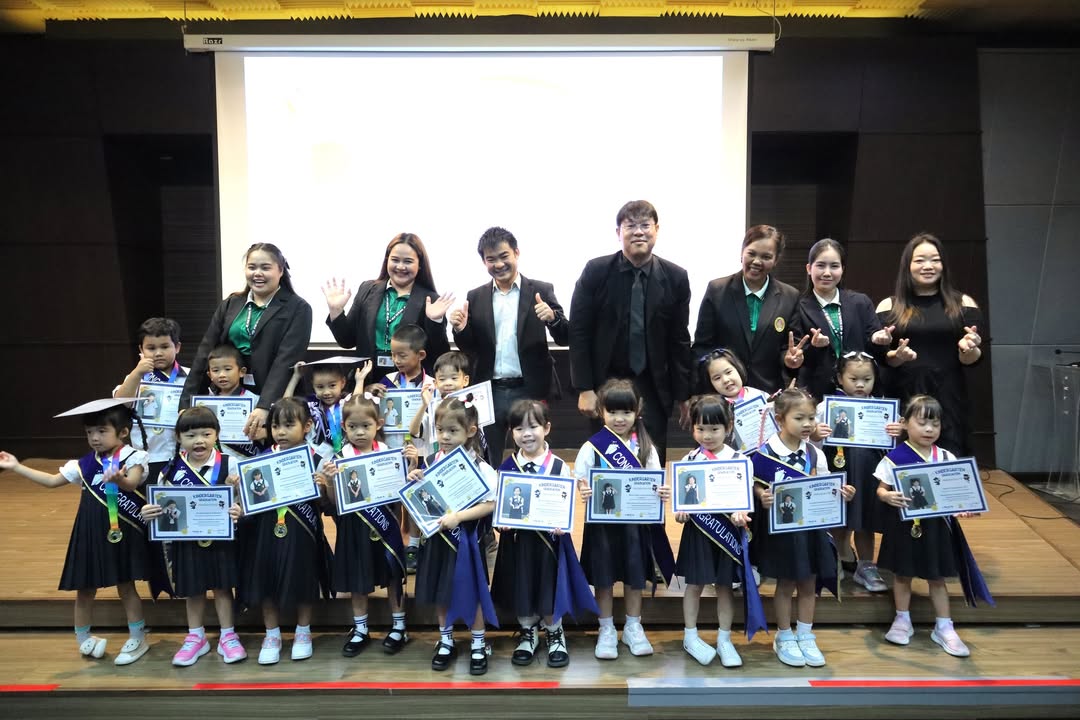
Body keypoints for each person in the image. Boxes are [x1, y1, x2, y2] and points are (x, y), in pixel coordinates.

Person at [0, 399, 152, 665]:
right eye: (89, 432)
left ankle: (138, 637)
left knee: (126, 586)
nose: (94, 438)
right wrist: (16, 467)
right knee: (84, 588)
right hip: (89, 531)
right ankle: (84, 639)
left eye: (102, 431)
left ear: (123, 432)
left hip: (122, 531)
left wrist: (119, 479)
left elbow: (132, 483)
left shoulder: (134, 458)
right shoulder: (83, 463)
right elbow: (51, 481)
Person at [569, 200, 692, 464]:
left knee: (651, 459)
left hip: (653, 386)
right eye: (630, 226)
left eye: (645, 225)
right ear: (618, 232)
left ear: (657, 229)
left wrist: (684, 396)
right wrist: (585, 388)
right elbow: (579, 332)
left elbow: (679, 341)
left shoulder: (676, 277)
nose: (638, 232)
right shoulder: (596, 271)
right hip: (605, 383)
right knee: (605, 461)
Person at [875, 394, 992, 657]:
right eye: (922, 423)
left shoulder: (946, 456)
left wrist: (965, 507)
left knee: (937, 578)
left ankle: (944, 626)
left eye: (935, 424)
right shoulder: (895, 457)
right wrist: (887, 496)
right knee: (902, 574)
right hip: (903, 527)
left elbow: (959, 493)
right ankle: (902, 620)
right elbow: (881, 489)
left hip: (937, 529)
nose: (929, 429)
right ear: (905, 424)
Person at [751, 388, 855, 668]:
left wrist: (842, 493)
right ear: (780, 419)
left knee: (809, 583)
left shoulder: (815, 454)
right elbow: (755, 485)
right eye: (799, 418)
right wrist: (762, 496)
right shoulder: (764, 454)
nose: (807, 424)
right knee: (786, 583)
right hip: (784, 533)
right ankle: (784, 635)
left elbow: (826, 485)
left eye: (811, 418)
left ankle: (806, 635)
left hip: (812, 530)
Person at [450, 227, 569, 464]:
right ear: (484, 261)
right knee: (487, 456)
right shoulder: (476, 296)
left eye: (504, 256)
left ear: (516, 253)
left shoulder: (541, 290)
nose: (499, 264)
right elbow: (470, 347)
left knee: (531, 454)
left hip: (529, 388)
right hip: (489, 391)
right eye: (491, 259)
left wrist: (552, 318)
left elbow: (565, 336)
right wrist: (460, 329)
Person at [491, 399, 595, 669]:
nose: (526, 434)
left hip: (551, 541)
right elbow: (498, 506)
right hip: (518, 543)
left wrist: (563, 522)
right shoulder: (506, 467)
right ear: (511, 433)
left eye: (533, 427)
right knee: (523, 584)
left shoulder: (559, 466)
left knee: (550, 584)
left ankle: (554, 632)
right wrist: (500, 524)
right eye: (519, 429)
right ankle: (528, 632)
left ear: (546, 428)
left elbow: (565, 504)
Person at [140, 407, 246, 666]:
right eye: (191, 435)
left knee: (223, 588)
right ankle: (195, 636)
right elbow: (162, 506)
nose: (199, 441)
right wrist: (150, 512)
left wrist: (239, 509)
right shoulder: (170, 470)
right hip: (186, 542)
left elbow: (244, 501)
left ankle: (228, 635)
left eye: (206, 434)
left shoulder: (230, 464)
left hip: (222, 541)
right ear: (178, 438)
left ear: (217, 434)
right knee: (193, 590)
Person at [575, 379, 672, 660]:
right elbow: (581, 479)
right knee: (603, 578)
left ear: (637, 411)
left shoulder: (646, 447)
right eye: (613, 412)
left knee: (634, 576)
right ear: (601, 412)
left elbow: (655, 482)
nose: (619, 418)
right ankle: (606, 628)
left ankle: (633, 626)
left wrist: (662, 492)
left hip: (634, 525)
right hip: (602, 526)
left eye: (626, 412)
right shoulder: (592, 447)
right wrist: (584, 490)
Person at [232, 398, 331, 665]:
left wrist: (325, 486)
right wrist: (239, 493)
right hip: (266, 533)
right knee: (267, 581)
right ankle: (272, 635)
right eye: (275, 426)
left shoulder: (318, 458)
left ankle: (303, 632)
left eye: (289, 425)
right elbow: (249, 504)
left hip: (303, 533)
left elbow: (328, 505)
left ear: (307, 426)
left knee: (305, 580)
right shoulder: (260, 460)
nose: (281, 432)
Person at [181, 243, 313, 443]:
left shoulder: (298, 308)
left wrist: (265, 406)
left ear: (280, 270)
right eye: (252, 267)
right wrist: (186, 402)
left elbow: (285, 360)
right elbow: (206, 352)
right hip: (230, 396)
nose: (257, 273)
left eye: (265, 267)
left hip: (275, 398)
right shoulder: (231, 303)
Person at [408, 398, 498, 675]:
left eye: (452, 431)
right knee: (440, 592)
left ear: (470, 431)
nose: (444, 437)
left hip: (466, 542)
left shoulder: (480, 466)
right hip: (437, 540)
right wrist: (416, 479)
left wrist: (459, 517)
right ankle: (445, 640)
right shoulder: (430, 461)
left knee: (473, 593)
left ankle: (478, 642)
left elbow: (491, 504)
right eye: (440, 430)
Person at [314, 395, 409, 658]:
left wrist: (411, 465)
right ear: (343, 427)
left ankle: (399, 627)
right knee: (357, 580)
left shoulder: (389, 454)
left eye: (366, 426)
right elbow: (335, 505)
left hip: (386, 527)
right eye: (352, 426)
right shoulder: (339, 458)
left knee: (393, 576)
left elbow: (402, 494)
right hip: (353, 530)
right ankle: (360, 629)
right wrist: (329, 483)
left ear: (378, 424)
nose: (359, 432)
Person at [875, 233, 986, 456]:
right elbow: (883, 360)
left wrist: (969, 348)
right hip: (902, 394)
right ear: (907, 266)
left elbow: (971, 360)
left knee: (950, 459)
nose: (928, 266)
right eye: (920, 260)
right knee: (902, 462)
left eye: (935, 260)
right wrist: (897, 355)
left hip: (948, 395)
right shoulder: (889, 306)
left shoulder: (963, 303)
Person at [674, 395, 760, 668]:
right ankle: (690, 636)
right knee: (694, 585)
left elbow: (745, 502)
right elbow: (681, 506)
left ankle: (724, 639)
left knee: (725, 587)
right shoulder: (688, 459)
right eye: (700, 428)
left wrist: (741, 513)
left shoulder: (740, 460)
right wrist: (680, 513)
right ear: (692, 428)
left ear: (729, 427)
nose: (707, 435)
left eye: (714, 429)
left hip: (726, 533)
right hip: (698, 532)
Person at [810, 352, 902, 593]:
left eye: (867, 379)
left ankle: (865, 566)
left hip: (868, 473)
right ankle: (833, 562)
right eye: (853, 379)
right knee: (836, 517)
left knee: (865, 520)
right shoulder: (825, 407)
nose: (860, 384)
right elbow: (810, 441)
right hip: (837, 471)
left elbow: (893, 446)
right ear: (840, 378)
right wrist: (815, 433)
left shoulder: (882, 408)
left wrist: (897, 431)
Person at [323, 233, 452, 383]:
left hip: (409, 384)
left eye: (408, 261)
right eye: (395, 260)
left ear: (419, 264)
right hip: (367, 379)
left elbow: (440, 353)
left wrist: (435, 321)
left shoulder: (430, 300)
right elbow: (347, 341)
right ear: (387, 260)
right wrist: (336, 311)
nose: (400, 267)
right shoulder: (367, 289)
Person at [693, 225, 800, 395]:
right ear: (742, 253)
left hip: (767, 394)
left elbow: (788, 348)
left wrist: (789, 359)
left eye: (766, 257)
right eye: (752, 253)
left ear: (776, 260)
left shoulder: (789, 296)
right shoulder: (717, 290)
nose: (757, 261)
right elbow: (702, 347)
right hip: (724, 394)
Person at [784, 239, 890, 400]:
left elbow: (876, 351)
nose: (827, 273)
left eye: (834, 266)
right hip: (815, 394)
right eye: (821, 265)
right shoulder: (797, 306)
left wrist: (878, 340)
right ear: (809, 268)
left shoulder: (861, 303)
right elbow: (798, 358)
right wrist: (814, 347)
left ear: (842, 269)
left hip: (859, 392)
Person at [114, 317, 188, 482]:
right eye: (151, 348)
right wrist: (136, 373)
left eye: (165, 347)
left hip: (185, 454)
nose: (158, 353)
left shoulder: (190, 377)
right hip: (147, 456)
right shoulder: (135, 378)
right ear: (141, 349)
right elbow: (121, 402)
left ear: (177, 347)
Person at [203, 343, 262, 460]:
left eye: (228, 369)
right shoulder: (206, 402)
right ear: (209, 375)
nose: (222, 375)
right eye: (216, 370)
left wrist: (262, 432)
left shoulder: (256, 401)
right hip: (216, 463)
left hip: (247, 460)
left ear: (242, 372)